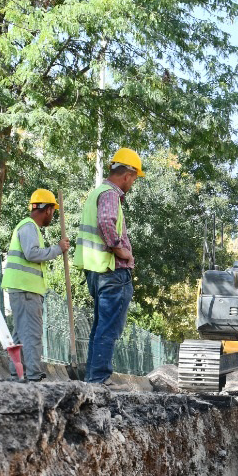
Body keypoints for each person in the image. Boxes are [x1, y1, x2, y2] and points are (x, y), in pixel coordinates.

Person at [78, 148, 144, 384]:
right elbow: (106, 221)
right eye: (134, 179)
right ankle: (98, 379)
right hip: (111, 270)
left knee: (100, 327)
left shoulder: (96, 193)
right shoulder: (110, 194)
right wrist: (121, 250)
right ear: (127, 175)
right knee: (108, 329)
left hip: (97, 270)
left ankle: (93, 377)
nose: (133, 184)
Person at [4, 188, 69, 382]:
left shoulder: (28, 227)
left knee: (20, 334)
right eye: (53, 211)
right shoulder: (29, 227)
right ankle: (32, 375)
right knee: (31, 332)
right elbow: (31, 253)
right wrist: (58, 249)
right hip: (26, 290)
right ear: (47, 209)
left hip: (22, 288)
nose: (53, 215)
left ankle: (17, 373)